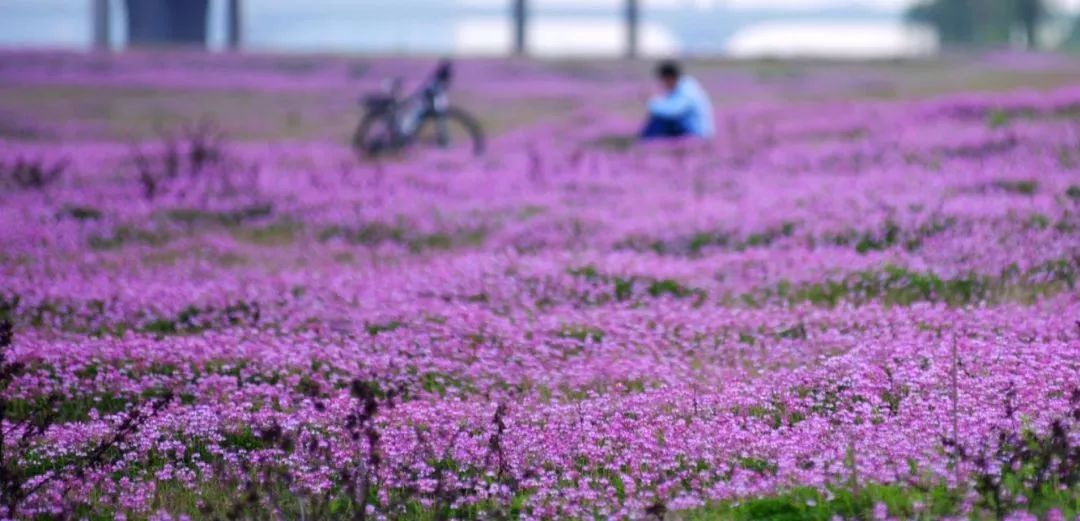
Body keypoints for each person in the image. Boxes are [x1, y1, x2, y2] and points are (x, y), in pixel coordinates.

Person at [640, 60, 715, 140]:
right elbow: (667, 104)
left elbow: (673, 111)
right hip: (690, 131)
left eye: (663, 81)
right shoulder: (683, 86)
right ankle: (646, 142)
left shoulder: (687, 90)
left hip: (697, 133)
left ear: (670, 78)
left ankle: (646, 143)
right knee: (658, 119)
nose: (662, 84)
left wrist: (651, 102)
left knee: (659, 121)